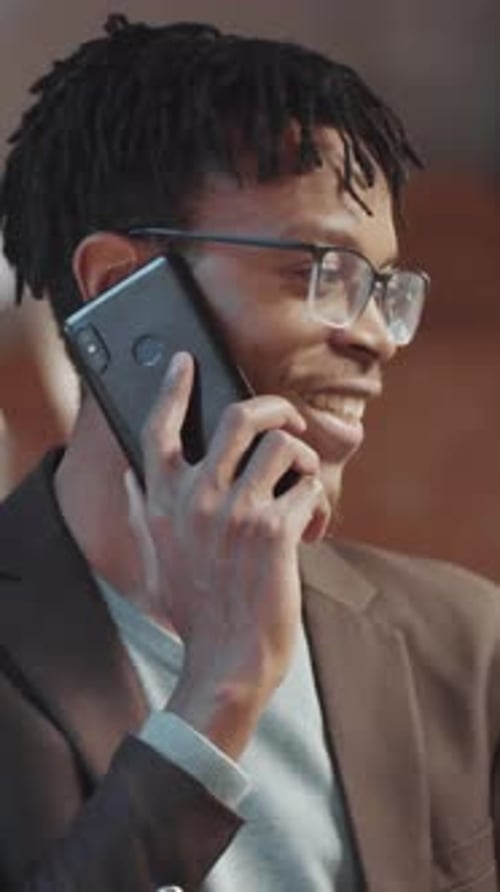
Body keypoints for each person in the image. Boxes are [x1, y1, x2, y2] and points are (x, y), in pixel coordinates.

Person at [0, 14, 498, 892]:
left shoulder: (463, 643)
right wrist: (220, 692)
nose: (380, 337)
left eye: (385, 289)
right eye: (323, 271)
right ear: (121, 290)